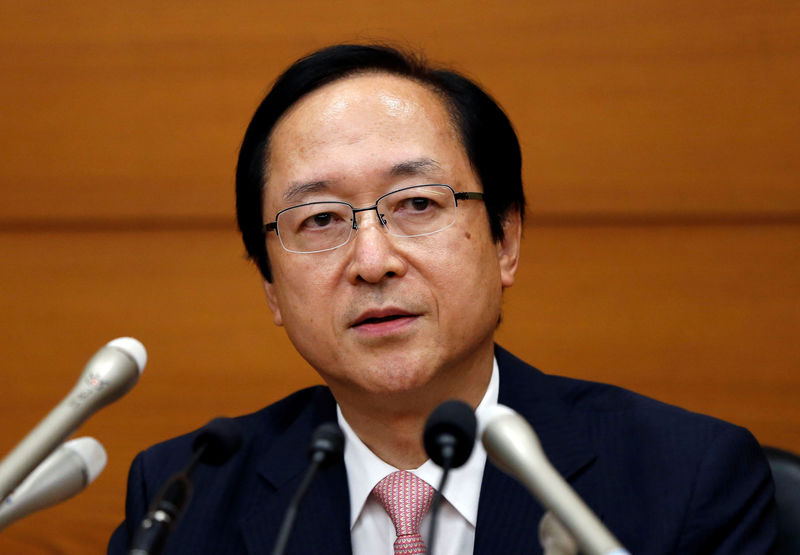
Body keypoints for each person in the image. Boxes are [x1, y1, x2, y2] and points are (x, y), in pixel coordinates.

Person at [108, 44, 777, 554]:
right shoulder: (184, 495)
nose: (372, 262)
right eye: (319, 220)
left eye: (417, 203)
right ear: (270, 287)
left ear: (505, 239)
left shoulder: (686, 476)